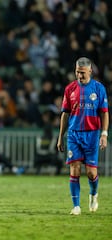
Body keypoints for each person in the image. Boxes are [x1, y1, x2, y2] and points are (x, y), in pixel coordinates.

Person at [57, 57, 109, 215]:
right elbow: (65, 114)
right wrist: (61, 136)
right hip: (74, 134)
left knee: (92, 172)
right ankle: (76, 206)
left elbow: (104, 113)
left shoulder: (99, 88)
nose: (79, 75)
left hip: (92, 134)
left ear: (90, 71)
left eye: (82, 73)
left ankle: (93, 194)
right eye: (77, 72)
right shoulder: (70, 89)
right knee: (74, 169)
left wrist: (104, 134)